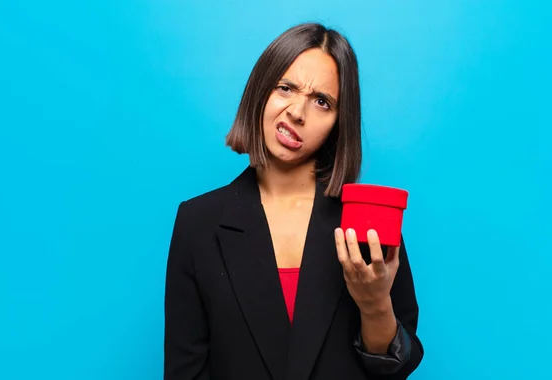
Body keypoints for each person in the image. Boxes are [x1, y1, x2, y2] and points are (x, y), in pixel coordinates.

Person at [164, 22, 424, 380]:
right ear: (260, 90)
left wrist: (376, 305)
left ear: (338, 122)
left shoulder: (365, 219)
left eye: (322, 101)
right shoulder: (197, 222)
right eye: (286, 88)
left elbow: (396, 368)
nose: (297, 113)